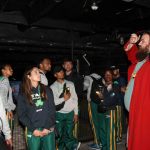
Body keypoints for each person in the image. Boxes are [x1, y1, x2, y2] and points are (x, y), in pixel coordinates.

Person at [17, 65, 56, 150]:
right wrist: (33, 129)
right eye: (35, 72)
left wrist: (47, 127)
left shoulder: (47, 90)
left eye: (39, 72)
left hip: (48, 129)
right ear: (29, 76)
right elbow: (21, 115)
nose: (39, 74)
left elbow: (52, 110)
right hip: (33, 130)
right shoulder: (23, 93)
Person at [124, 31, 150, 150]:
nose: (140, 43)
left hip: (144, 116)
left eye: (143, 41)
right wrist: (131, 42)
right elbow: (132, 54)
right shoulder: (138, 63)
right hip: (134, 114)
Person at [50, 65, 81, 150]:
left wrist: (76, 113)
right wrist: (64, 98)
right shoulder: (52, 87)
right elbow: (53, 102)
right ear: (55, 75)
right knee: (59, 134)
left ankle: (71, 147)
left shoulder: (70, 84)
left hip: (70, 113)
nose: (62, 73)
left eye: (62, 71)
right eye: (59, 72)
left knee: (69, 133)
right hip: (59, 113)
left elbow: (75, 98)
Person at [63, 58, 83, 139]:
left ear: (72, 65)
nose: (68, 66)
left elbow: (79, 91)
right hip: (63, 104)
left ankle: (74, 142)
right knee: (65, 124)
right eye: (66, 64)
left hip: (74, 103)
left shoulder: (77, 76)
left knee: (74, 122)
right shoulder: (61, 75)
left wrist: (75, 103)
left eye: (69, 64)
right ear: (63, 66)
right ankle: (66, 141)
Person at [83, 73, 104, 150]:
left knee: (94, 123)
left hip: (92, 103)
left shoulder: (88, 77)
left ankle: (97, 143)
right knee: (101, 122)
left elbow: (84, 87)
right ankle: (102, 142)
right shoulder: (101, 77)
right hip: (101, 102)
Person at [0, 64, 16, 132]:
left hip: (3, 108)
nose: (11, 70)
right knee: (7, 130)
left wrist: (10, 90)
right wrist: (8, 109)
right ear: (3, 71)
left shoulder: (2, 79)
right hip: (4, 110)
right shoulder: (5, 80)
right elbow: (2, 97)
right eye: (9, 68)